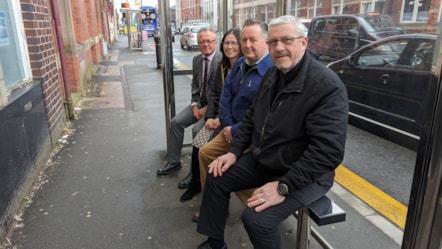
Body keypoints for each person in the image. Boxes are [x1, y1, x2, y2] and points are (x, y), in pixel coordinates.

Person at [196, 15, 348, 249]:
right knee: (216, 175)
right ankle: (215, 244)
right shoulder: (273, 75)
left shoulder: (326, 86)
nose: (279, 48)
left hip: (305, 175)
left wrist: (283, 186)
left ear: (303, 43)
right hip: (267, 159)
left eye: (287, 40)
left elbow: (327, 153)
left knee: (256, 218)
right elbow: (251, 116)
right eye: (273, 42)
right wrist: (234, 152)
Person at [193, 19, 274, 221]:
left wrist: (235, 130)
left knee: (229, 174)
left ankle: (261, 209)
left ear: (265, 42)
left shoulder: (271, 71)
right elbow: (225, 96)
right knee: (204, 154)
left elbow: (262, 114)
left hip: (250, 136)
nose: (247, 45)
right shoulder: (239, 64)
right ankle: (212, 205)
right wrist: (227, 125)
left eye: (252, 40)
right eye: (244, 39)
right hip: (230, 130)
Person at [179, 28, 243, 201]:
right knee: (198, 142)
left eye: (234, 43)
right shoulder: (222, 66)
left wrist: (219, 119)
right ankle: (196, 183)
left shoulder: (246, 67)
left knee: (204, 145)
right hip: (218, 117)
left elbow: (241, 104)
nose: (230, 47)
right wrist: (210, 118)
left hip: (234, 122)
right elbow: (214, 95)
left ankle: (208, 189)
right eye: (227, 43)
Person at [156, 27, 222, 176]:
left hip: (215, 110)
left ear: (215, 42)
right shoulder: (197, 59)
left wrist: (206, 109)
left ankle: (195, 174)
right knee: (176, 122)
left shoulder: (222, 61)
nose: (205, 44)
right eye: (201, 42)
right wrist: (194, 105)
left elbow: (223, 93)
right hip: (199, 105)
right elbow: (195, 86)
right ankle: (174, 162)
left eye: (209, 41)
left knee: (197, 130)